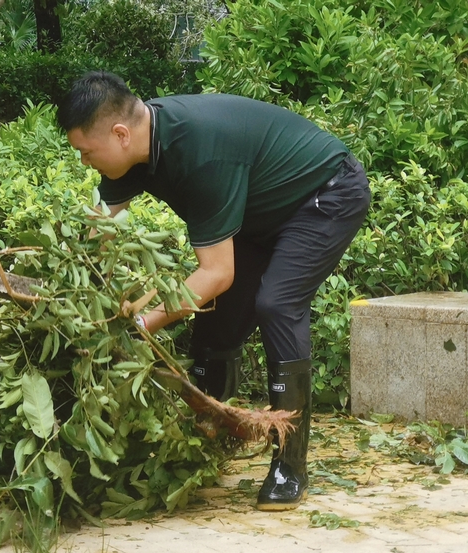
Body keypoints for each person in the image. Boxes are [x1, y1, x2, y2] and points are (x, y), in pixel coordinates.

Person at [57, 71, 371, 511]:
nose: (84, 161)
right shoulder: (133, 152)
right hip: (261, 213)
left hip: (325, 194)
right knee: (217, 321)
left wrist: (140, 325)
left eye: (86, 153)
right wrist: (67, 289)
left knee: (276, 304)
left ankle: (290, 466)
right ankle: (210, 440)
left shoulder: (200, 154)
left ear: (120, 134)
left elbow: (216, 274)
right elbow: (99, 231)